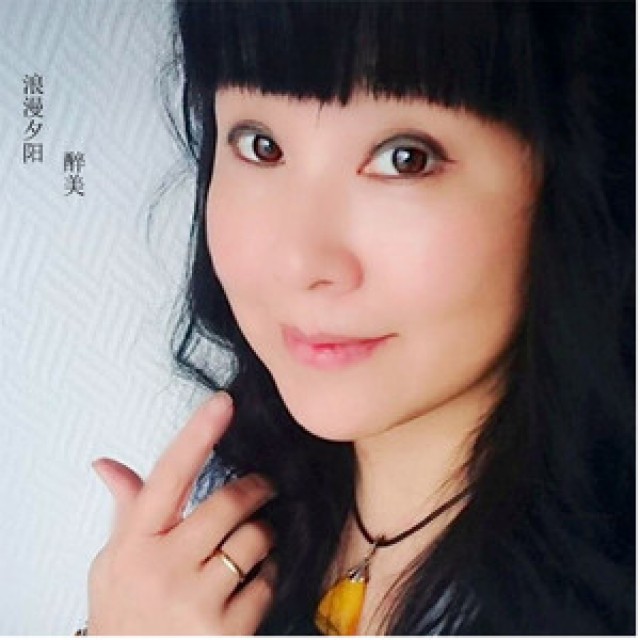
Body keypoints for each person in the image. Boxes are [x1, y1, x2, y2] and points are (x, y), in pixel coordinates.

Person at [85, 1, 634, 635]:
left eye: (406, 158)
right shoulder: (240, 515)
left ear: (572, 178)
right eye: (262, 146)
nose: (299, 262)